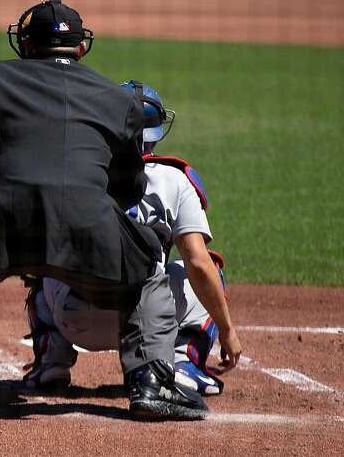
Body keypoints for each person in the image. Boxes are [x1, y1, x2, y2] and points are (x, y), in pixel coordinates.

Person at [0, 0, 208, 421]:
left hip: (2, 220)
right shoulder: (120, 99)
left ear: (26, 45)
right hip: (91, 223)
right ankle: (151, 383)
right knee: (146, 271)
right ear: (82, 48)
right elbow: (129, 182)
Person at [22, 81, 243, 396]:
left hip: (79, 319)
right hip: (153, 323)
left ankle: (52, 363)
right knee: (209, 266)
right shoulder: (175, 180)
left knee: (46, 265)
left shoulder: (75, 171)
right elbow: (198, 263)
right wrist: (227, 330)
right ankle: (183, 364)